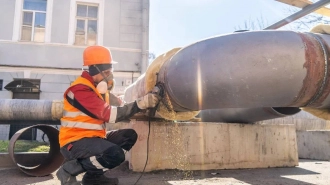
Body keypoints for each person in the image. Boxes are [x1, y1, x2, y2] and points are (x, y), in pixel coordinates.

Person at [56, 45, 161, 185]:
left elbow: (122, 105)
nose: (109, 76)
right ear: (93, 69)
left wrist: (143, 103)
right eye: (106, 72)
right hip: (74, 143)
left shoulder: (99, 90)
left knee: (128, 136)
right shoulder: (80, 90)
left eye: (110, 72)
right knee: (115, 154)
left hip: (93, 138)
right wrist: (140, 104)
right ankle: (69, 170)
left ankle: (94, 178)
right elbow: (110, 114)